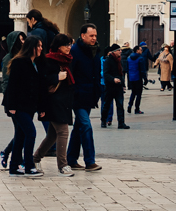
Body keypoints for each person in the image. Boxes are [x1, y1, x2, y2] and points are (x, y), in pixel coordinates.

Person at [31, 32, 75, 175]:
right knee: (63, 132)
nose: (68, 48)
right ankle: (63, 165)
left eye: (69, 44)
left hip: (64, 101)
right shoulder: (48, 60)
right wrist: (57, 77)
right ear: (58, 46)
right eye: (65, 45)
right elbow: (42, 80)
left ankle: (35, 158)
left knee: (52, 135)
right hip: (53, 101)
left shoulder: (67, 60)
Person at [2, 35, 44, 177]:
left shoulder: (34, 63)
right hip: (18, 106)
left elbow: (36, 87)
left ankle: (14, 166)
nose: (40, 48)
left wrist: (40, 108)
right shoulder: (19, 62)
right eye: (38, 46)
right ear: (31, 47)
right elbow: (13, 85)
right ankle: (28, 166)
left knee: (20, 135)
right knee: (30, 132)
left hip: (29, 105)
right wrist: (12, 106)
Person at [67, 23, 101, 171]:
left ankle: (71, 159)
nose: (94, 38)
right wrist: (73, 92)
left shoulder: (95, 51)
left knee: (79, 127)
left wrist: (97, 92)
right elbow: (70, 73)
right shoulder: (74, 51)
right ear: (83, 36)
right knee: (86, 126)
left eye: (95, 36)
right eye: (91, 36)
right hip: (78, 95)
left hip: (90, 95)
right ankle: (90, 161)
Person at [101, 44, 129, 129]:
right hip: (110, 87)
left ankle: (121, 123)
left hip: (118, 87)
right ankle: (103, 121)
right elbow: (106, 74)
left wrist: (123, 85)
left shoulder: (119, 60)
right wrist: (113, 79)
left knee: (120, 105)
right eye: (119, 50)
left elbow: (121, 74)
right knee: (107, 105)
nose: (120, 51)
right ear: (114, 51)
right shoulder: (108, 61)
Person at [127, 43, 148, 114]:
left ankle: (129, 106)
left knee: (133, 93)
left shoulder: (129, 58)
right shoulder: (140, 58)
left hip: (131, 78)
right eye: (140, 50)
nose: (141, 51)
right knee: (139, 94)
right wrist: (145, 79)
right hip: (138, 78)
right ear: (137, 50)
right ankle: (137, 109)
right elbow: (142, 70)